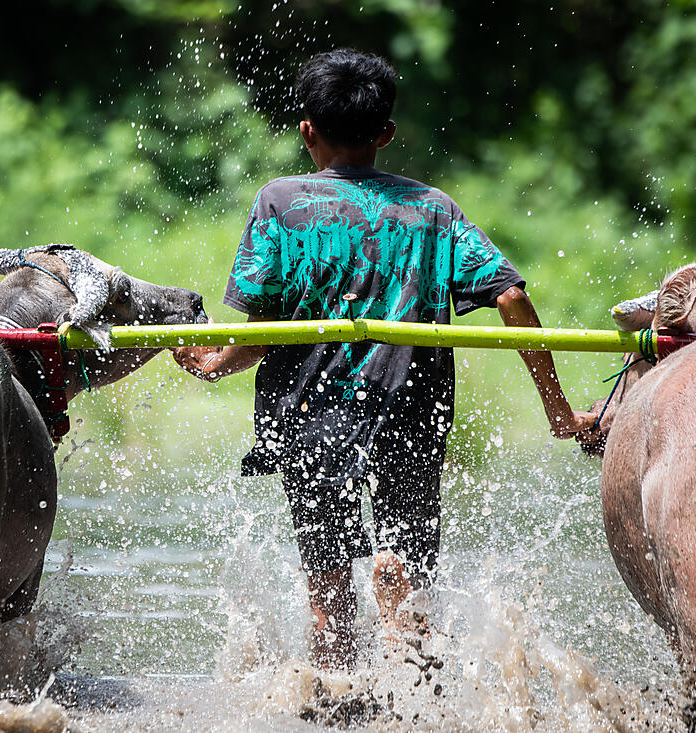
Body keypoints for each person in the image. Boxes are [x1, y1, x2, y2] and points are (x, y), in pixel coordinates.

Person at [172, 48, 592, 670]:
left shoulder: (281, 202)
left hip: (307, 415)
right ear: (386, 134)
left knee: (328, 587)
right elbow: (510, 295)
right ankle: (410, 704)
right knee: (404, 574)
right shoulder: (432, 209)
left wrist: (214, 362)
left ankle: (335, 702)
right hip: (411, 408)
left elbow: (268, 333)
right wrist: (559, 413)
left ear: (306, 130)